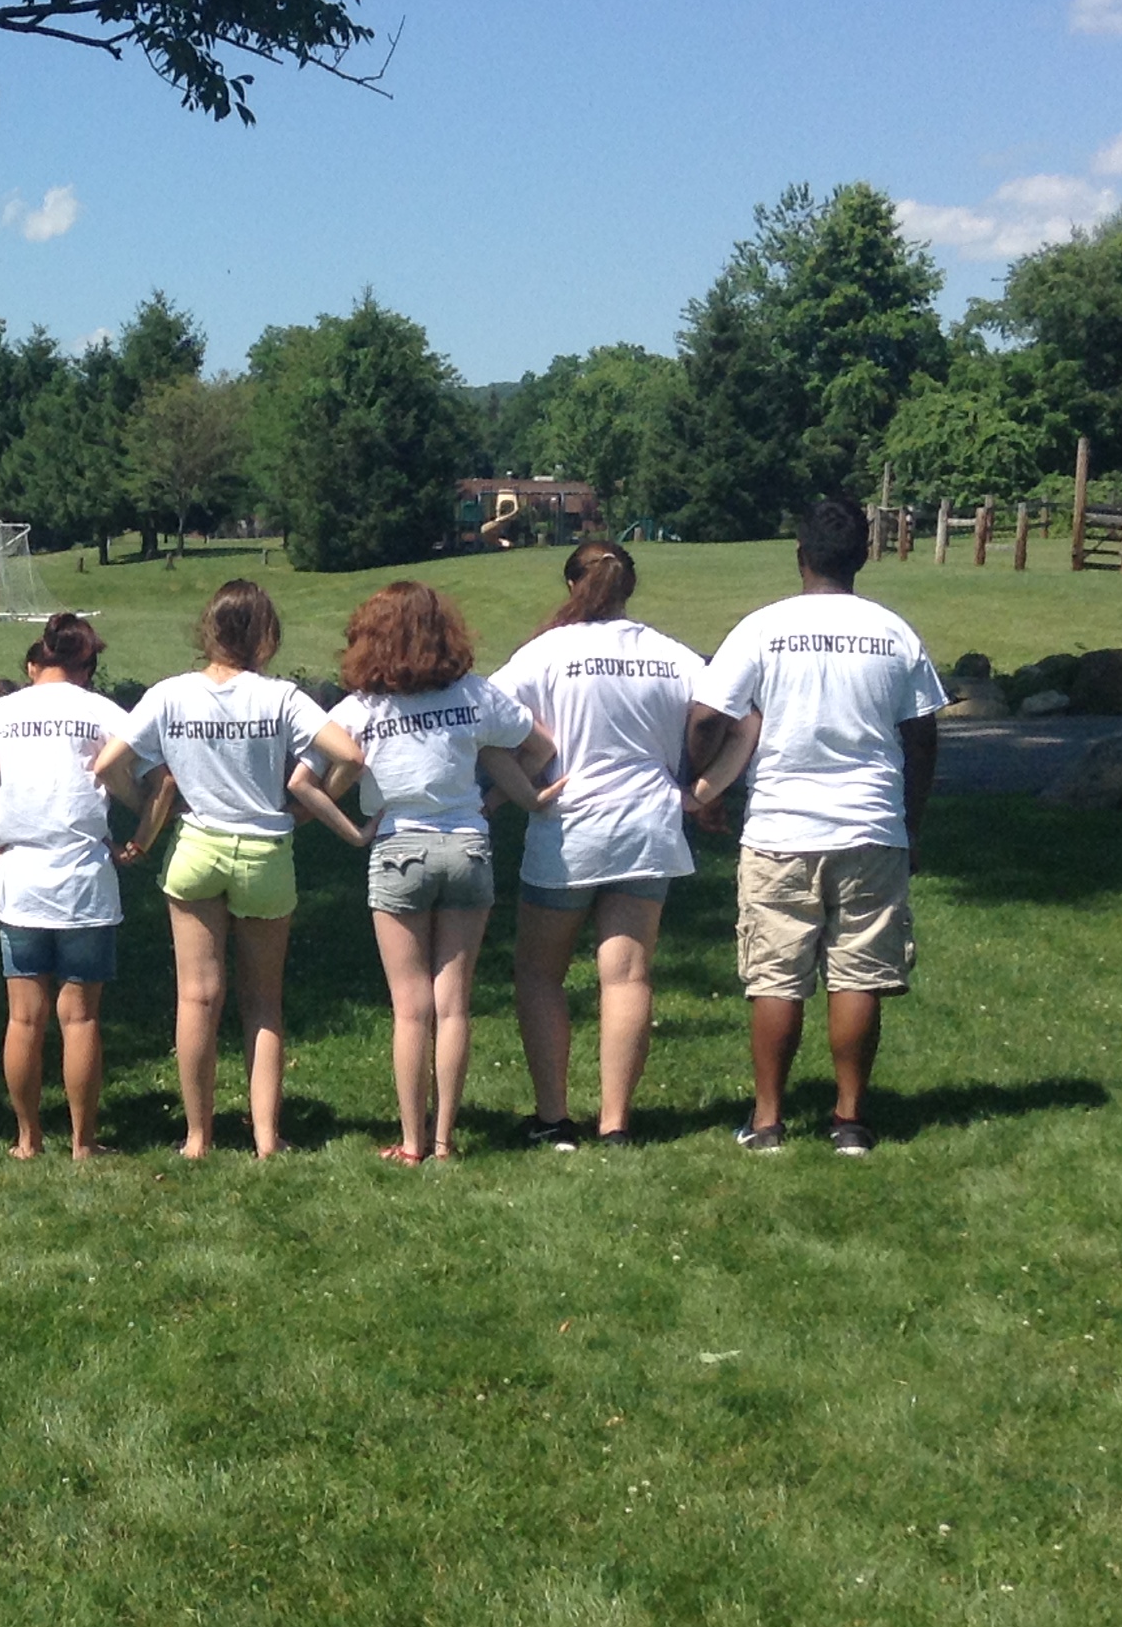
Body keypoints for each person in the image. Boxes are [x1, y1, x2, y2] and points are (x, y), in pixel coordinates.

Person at [689, 496, 946, 1155]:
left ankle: (768, 1121)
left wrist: (705, 783)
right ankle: (850, 1120)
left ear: (800, 556)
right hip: (871, 826)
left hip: (780, 828)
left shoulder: (763, 628)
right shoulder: (894, 633)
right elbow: (922, 736)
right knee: (858, 974)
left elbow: (707, 717)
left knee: (776, 976)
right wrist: (911, 824)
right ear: (862, 557)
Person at [93, 580, 365, 1159]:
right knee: (263, 1002)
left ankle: (197, 1137)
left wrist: (146, 809)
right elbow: (349, 755)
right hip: (265, 851)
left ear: (208, 629)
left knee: (197, 999)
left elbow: (109, 763)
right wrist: (307, 809)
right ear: (265, 634)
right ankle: (266, 1137)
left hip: (195, 847)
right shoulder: (280, 697)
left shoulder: (171, 694)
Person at [302, 582, 555, 1165]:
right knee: (454, 1004)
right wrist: (492, 801)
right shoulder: (473, 693)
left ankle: (412, 1142)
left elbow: (311, 775)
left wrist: (352, 826)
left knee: (410, 1007)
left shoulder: (362, 708)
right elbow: (539, 748)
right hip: (468, 847)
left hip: (399, 850)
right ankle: (444, 1141)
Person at [492, 543, 705, 1150]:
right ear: (630, 587)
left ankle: (553, 1118)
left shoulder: (547, 652)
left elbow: (485, 715)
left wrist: (519, 780)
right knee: (628, 977)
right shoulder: (670, 654)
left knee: (540, 974)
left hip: (569, 827)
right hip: (648, 826)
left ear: (571, 585)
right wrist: (706, 787)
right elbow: (731, 713)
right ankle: (616, 1124)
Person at [0, 613, 131, 1159]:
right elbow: (133, 769)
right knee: (81, 1017)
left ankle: (28, 1138)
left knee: (24, 1018)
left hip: (18, 876)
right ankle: (83, 1141)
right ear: (87, 667)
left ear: (35, 664)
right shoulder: (101, 711)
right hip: (84, 877)